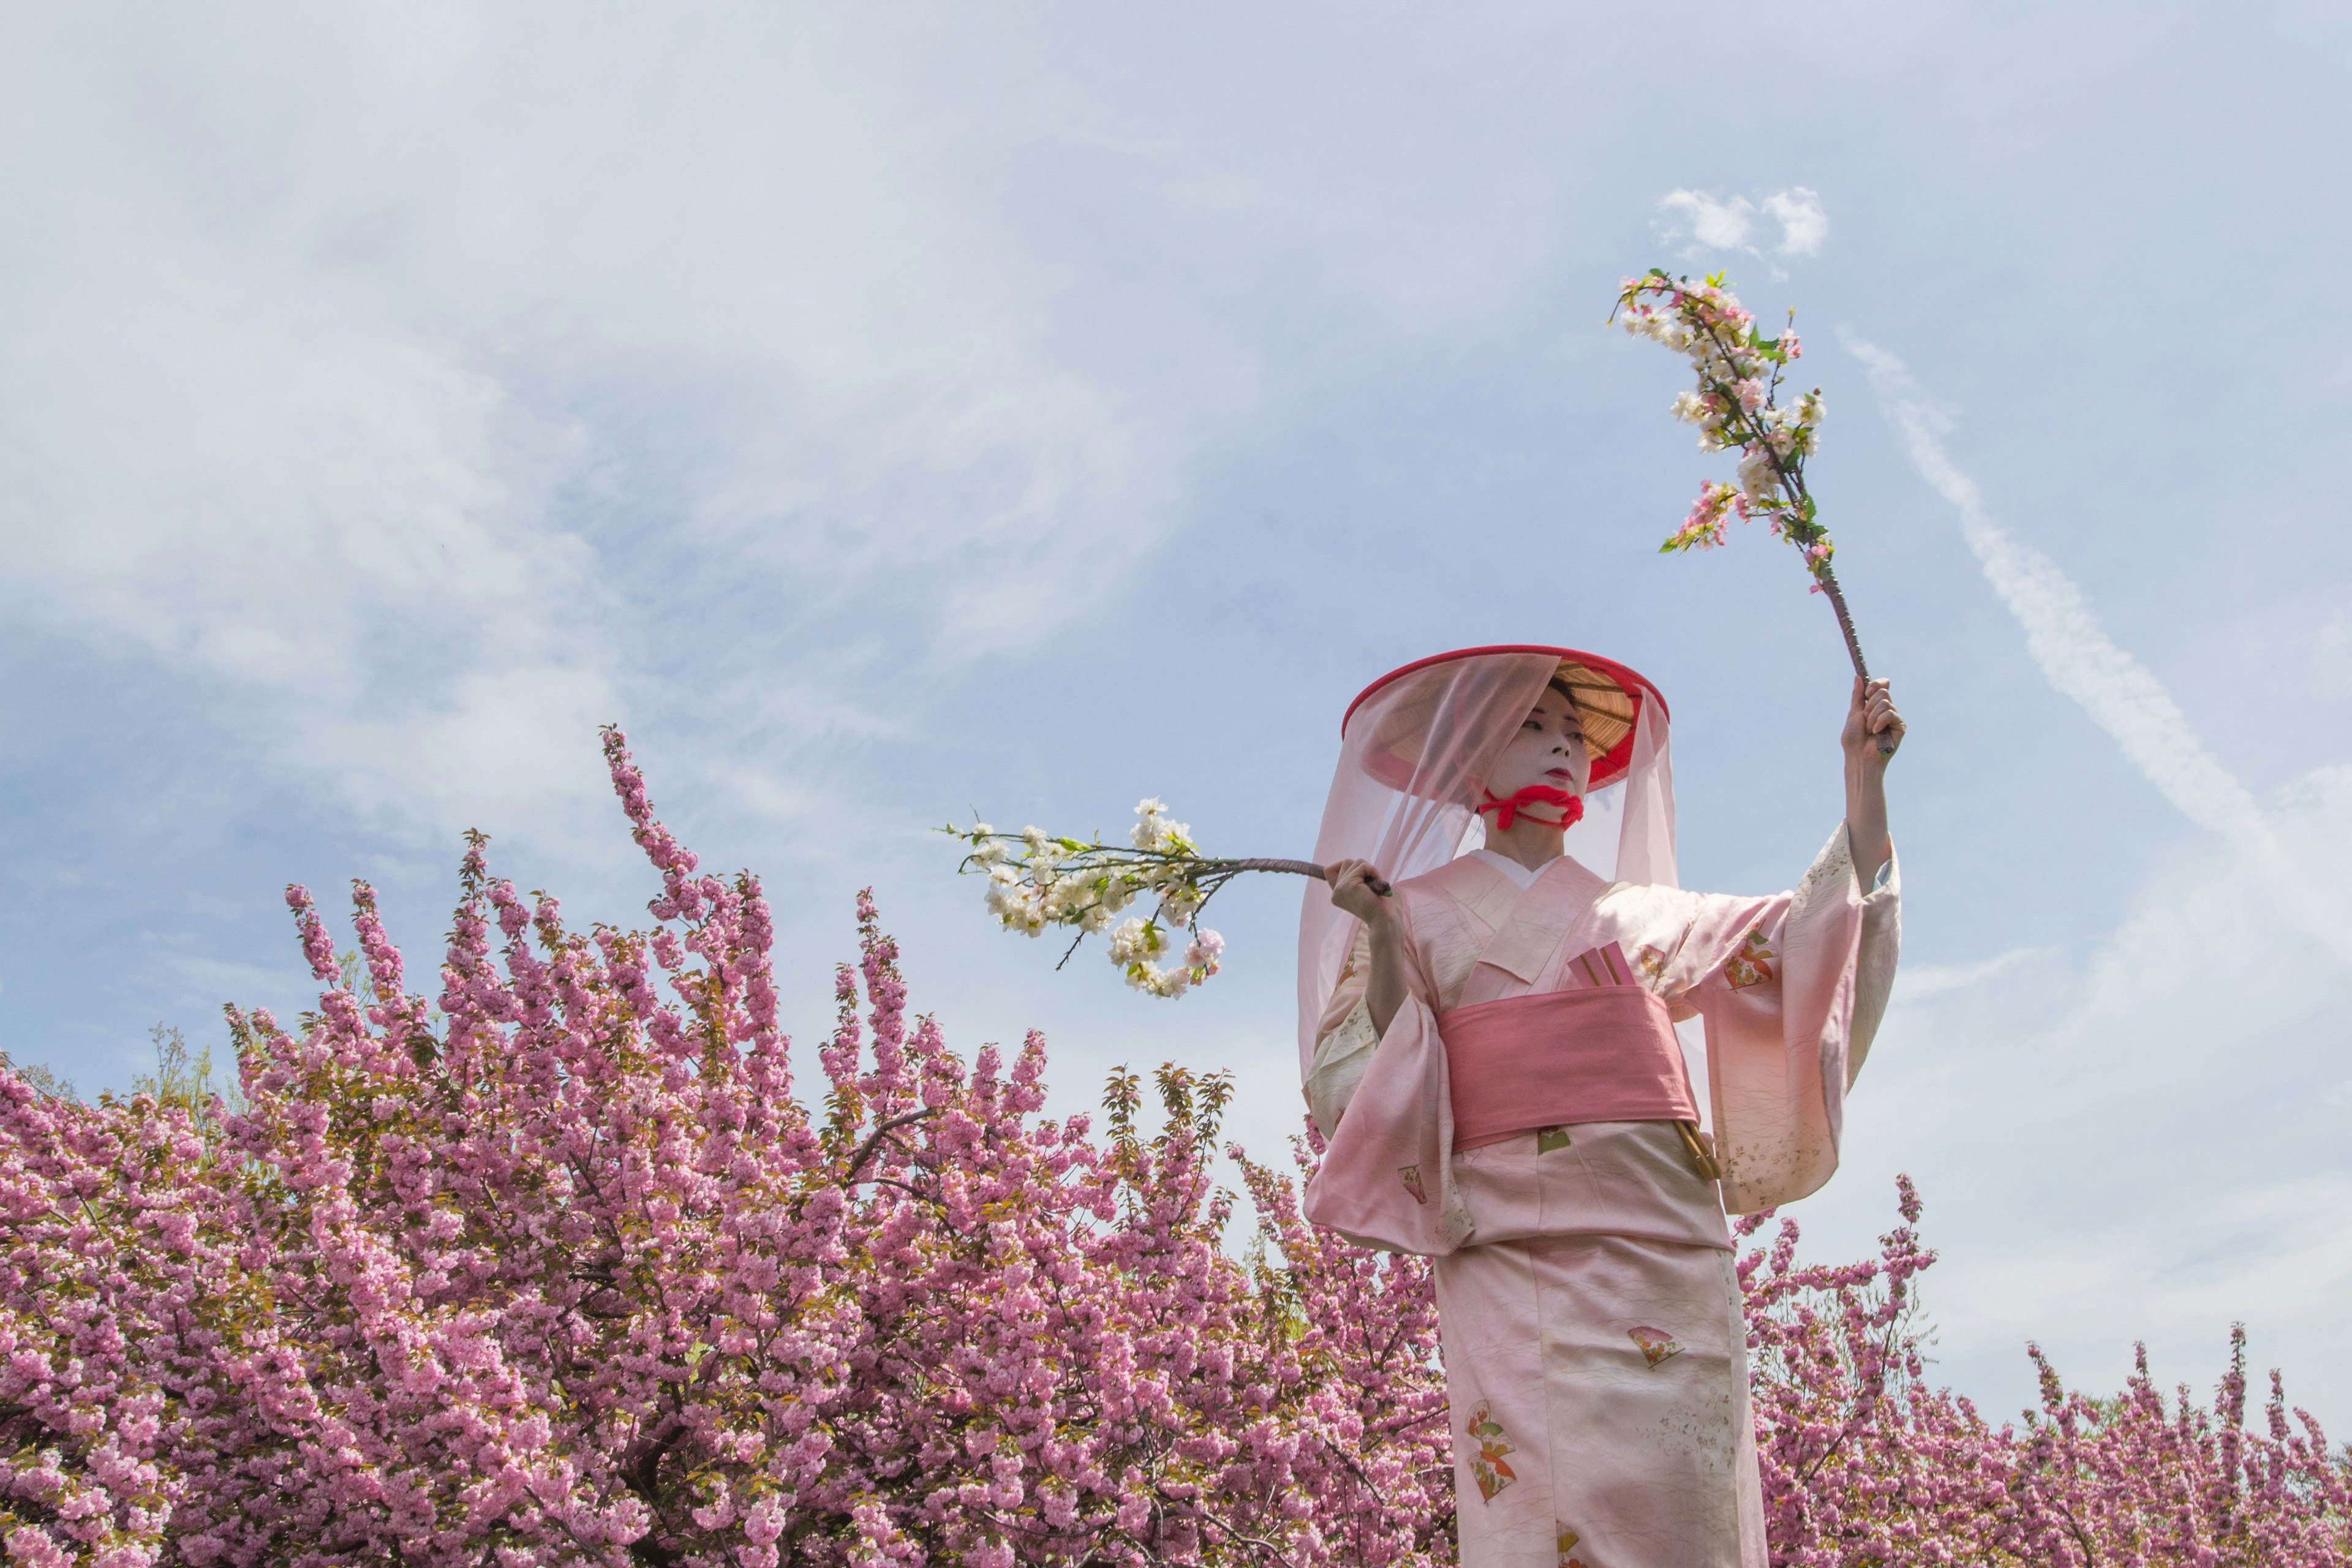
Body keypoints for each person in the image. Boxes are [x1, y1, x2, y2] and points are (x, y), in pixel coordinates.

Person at [1297, 646, 1902, 1568]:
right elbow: (1382, 1062)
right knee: (1538, 1500)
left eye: (1574, 733)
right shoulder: (1410, 908)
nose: (1563, 748)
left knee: (1682, 1504)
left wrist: (1863, 778)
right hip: (1507, 1238)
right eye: (1532, 728)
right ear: (1470, 761)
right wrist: (1380, 935)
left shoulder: (1639, 911)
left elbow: (1807, 936)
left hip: (1663, 1235)